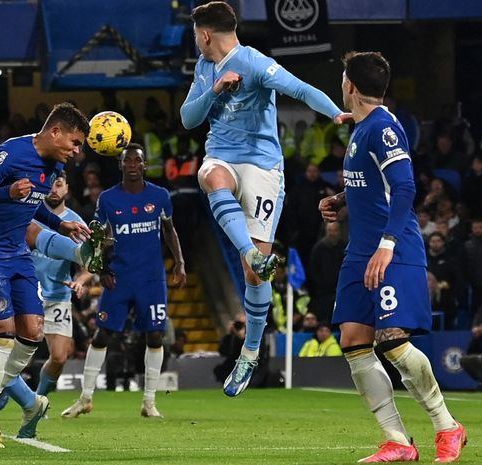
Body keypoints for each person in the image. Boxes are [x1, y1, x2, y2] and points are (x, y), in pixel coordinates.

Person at [179, 1, 350, 397]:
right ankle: (250, 251)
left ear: (205, 35)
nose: (196, 43)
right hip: (222, 155)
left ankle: (249, 353)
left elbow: (299, 88)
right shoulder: (205, 69)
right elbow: (188, 118)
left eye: (196, 37)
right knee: (210, 176)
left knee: (254, 277)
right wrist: (216, 90)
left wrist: (335, 113)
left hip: (263, 168)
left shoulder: (254, 62)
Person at [318, 51, 466, 463]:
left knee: (393, 341)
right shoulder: (362, 127)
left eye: (343, 78)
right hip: (360, 251)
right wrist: (342, 199)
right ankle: (397, 441)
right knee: (352, 339)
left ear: (350, 86)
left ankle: (447, 426)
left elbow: (404, 190)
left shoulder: (382, 129)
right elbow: (376, 184)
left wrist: (386, 245)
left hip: (393, 250)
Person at [0, 102, 94, 448]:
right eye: (75, 142)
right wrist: (6, 192)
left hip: (18, 254)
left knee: (33, 332)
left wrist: (60, 223)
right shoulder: (11, 153)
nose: (77, 151)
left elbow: (33, 202)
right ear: (55, 132)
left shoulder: (52, 166)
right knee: (3, 334)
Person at [61, 143, 187, 419]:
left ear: (143, 165)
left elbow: (169, 230)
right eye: (127, 161)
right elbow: (98, 238)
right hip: (119, 278)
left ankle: (149, 402)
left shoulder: (160, 195)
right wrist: (103, 268)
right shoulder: (108, 199)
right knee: (103, 334)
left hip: (152, 279)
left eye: (137, 161)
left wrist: (179, 262)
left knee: (154, 335)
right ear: (120, 166)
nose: (132, 165)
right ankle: (85, 398)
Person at [0, 172, 94, 438]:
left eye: (60, 183)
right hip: (24, 292)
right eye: (51, 184)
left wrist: (80, 281)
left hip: (57, 297)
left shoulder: (76, 222)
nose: (54, 189)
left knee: (60, 356)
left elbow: (89, 263)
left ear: (68, 188)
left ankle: (37, 400)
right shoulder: (29, 214)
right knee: (12, 348)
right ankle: (10, 387)